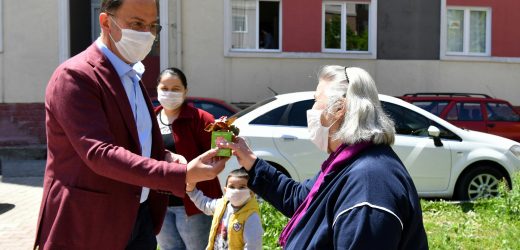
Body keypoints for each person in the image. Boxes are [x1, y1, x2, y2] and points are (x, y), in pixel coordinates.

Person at [34, 1, 228, 249]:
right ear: (106, 22)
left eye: (153, 26)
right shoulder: (76, 76)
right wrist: (181, 174)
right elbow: (100, 153)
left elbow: (134, 143)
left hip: (139, 220)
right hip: (90, 227)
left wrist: (166, 157)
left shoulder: (131, 76)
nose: (146, 34)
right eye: (137, 24)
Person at [219, 66, 429, 249]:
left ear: (339, 109)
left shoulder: (367, 184)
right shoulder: (350, 161)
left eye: (316, 101)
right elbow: (302, 199)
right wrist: (250, 161)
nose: (310, 111)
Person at [154, 67, 223, 250]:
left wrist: (214, 168)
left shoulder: (200, 119)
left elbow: (222, 151)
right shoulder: (150, 118)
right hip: (160, 203)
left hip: (194, 204)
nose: (169, 93)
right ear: (157, 89)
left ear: (186, 91)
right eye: (165, 88)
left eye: (176, 89)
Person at [186, 168, 263, 250]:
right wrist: (191, 190)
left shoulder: (251, 216)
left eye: (242, 187)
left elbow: (253, 246)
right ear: (225, 190)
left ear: (251, 193)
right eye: (232, 187)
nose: (236, 191)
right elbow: (205, 204)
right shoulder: (221, 205)